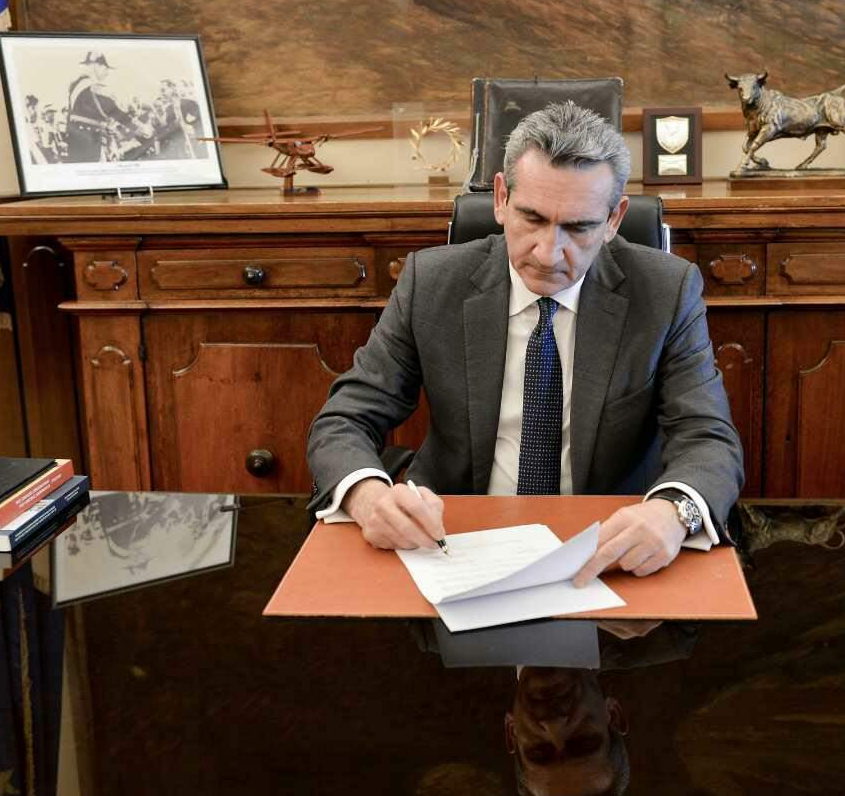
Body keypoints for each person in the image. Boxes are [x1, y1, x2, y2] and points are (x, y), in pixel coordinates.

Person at [307, 102, 744, 584]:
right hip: (451, 540)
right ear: (500, 198)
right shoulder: (431, 283)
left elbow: (708, 437)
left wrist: (674, 512)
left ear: (614, 219)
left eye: (578, 227)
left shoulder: (665, 291)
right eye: (532, 218)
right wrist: (368, 496)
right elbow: (345, 418)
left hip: (607, 545)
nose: (548, 252)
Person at [64, 51, 145, 163]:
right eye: (105, 68)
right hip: (87, 142)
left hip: (78, 140)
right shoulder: (90, 86)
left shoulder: (77, 84)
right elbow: (111, 109)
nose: (107, 73)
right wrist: (137, 127)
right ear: (96, 66)